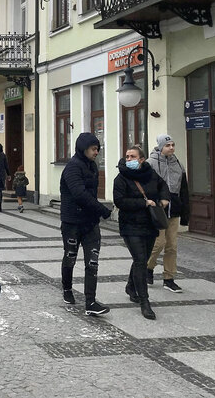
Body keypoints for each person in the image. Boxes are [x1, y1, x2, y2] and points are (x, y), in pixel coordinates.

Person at [113, 145, 170, 320]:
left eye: (132, 157)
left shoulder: (150, 173)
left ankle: (131, 287)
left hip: (150, 224)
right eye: (127, 156)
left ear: (142, 159)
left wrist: (164, 199)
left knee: (143, 258)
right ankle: (145, 302)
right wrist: (144, 203)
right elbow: (120, 201)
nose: (128, 159)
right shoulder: (121, 177)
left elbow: (163, 186)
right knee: (140, 261)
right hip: (130, 226)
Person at [60, 132, 113, 316]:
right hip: (72, 222)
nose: (96, 152)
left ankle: (90, 302)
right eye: (93, 149)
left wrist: (96, 212)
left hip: (90, 223)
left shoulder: (92, 166)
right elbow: (80, 195)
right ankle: (67, 289)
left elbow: (91, 194)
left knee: (92, 262)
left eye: (98, 148)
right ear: (83, 149)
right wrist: (103, 210)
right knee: (70, 257)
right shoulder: (72, 167)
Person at [146, 134, 190, 293]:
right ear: (160, 147)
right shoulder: (150, 164)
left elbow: (184, 189)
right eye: (168, 145)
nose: (171, 148)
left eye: (172, 145)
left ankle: (169, 278)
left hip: (175, 208)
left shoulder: (178, 164)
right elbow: (146, 187)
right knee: (158, 243)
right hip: (158, 210)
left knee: (172, 246)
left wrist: (185, 213)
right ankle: (148, 267)